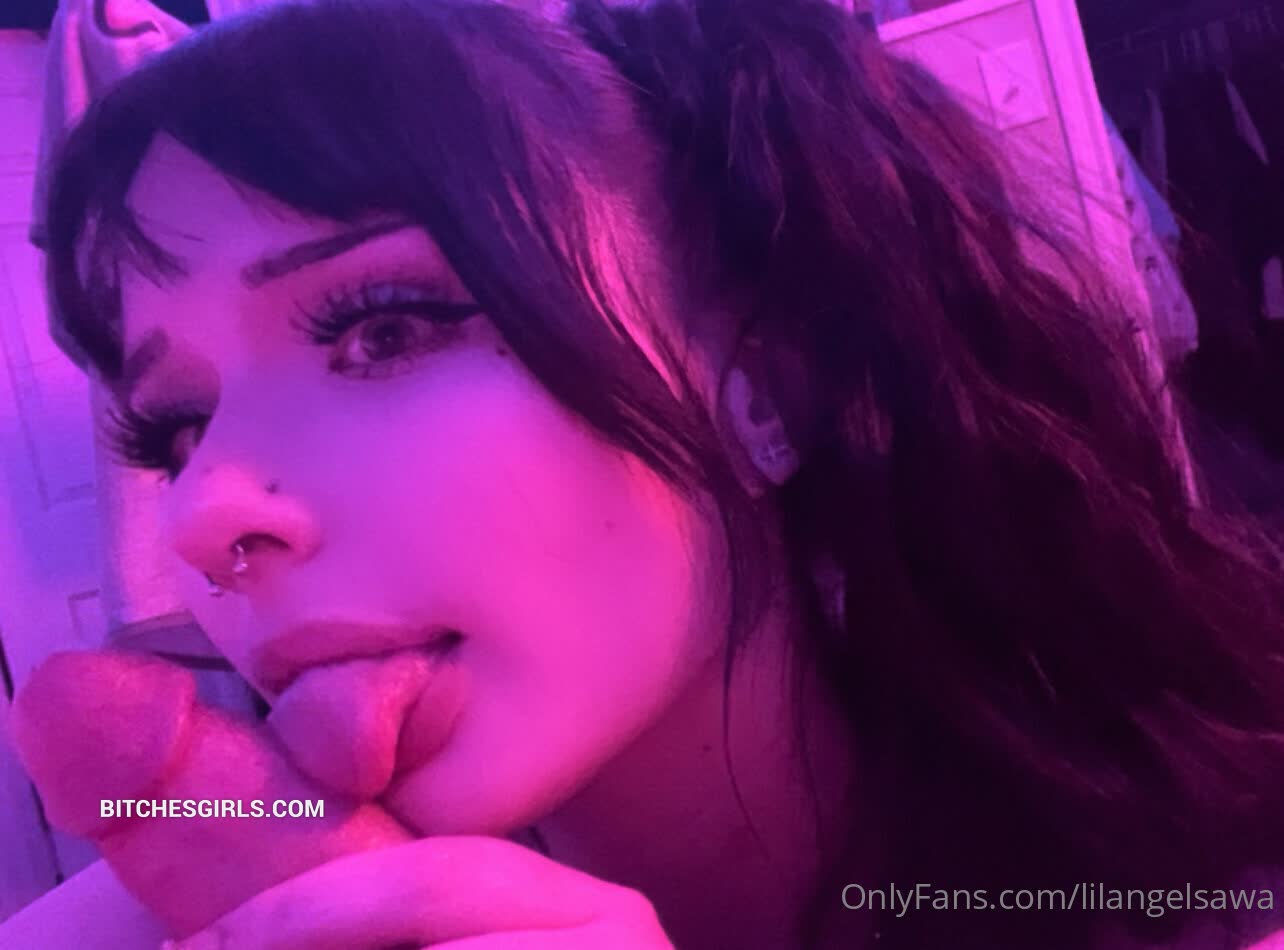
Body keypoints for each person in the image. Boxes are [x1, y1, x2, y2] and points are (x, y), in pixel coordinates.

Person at [34, 0, 1284, 947]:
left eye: (385, 326)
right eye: (177, 426)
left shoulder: (1193, 903)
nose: (203, 513)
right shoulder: (193, 901)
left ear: (769, 381)